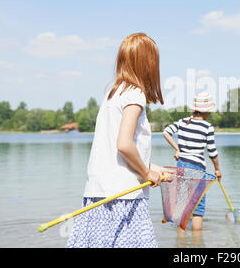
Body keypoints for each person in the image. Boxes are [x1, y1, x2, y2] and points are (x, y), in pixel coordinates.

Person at [66, 33, 171, 248]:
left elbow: (118, 156)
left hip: (98, 193)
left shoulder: (113, 94)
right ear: (148, 64)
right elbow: (124, 145)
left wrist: (155, 168)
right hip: (124, 197)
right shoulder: (136, 95)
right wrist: (146, 173)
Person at [162, 92, 221, 231]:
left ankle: (180, 242)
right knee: (198, 205)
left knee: (182, 203)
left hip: (181, 166)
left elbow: (166, 132)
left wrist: (178, 149)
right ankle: (196, 243)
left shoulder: (182, 122)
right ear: (206, 110)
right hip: (197, 168)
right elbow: (212, 151)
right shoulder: (207, 127)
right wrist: (217, 169)